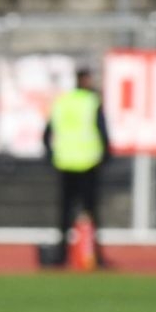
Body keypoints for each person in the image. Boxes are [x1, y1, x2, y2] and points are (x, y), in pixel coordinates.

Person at [43, 66, 111, 259]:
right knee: (91, 211)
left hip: (65, 163)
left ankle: (61, 255)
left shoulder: (62, 102)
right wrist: (105, 156)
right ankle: (96, 255)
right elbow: (102, 130)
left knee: (65, 212)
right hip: (88, 163)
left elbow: (47, 133)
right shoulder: (91, 102)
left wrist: (51, 156)